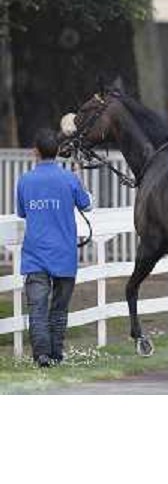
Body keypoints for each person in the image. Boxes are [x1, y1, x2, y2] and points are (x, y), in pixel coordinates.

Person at [16, 128, 92, 367]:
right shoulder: (69, 178)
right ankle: (56, 354)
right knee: (59, 310)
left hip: (35, 254)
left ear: (35, 152)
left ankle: (41, 356)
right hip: (64, 255)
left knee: (37, 309)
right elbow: (86, 205)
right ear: (59, 151)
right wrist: (79, 178)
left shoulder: (25, 180)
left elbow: (22, 212)